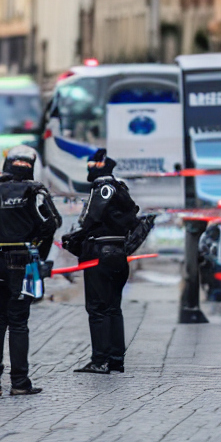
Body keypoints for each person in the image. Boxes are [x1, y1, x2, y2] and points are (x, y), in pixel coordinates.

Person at [0, 145, 62, 396]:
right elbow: (53, 222)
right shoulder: (35, 191)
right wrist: (39, 250)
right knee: (18, 322)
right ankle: (19, 382)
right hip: (23, 261)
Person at [62, 148, 139, 374]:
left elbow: (89, 219)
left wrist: (73, 238)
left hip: (99, 254)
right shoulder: (122, 190)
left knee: (97, 308)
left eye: (90, 166)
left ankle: (100, 360)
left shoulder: (102, 188)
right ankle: (116, 359)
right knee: (114, 307)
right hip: (118, 253)